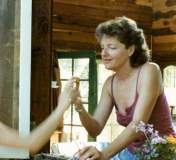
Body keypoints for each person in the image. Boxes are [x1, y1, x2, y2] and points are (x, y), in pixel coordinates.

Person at [72, 16, 176, 160]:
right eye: (102, 47)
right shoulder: (110, 84)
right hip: (131, 154)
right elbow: (95, 129)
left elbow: (138, 124)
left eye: (112, 47)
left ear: (130, 50)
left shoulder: (150, 71)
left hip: (163, 154)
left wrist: (104, 155)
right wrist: (79, 106)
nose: (104, 53)